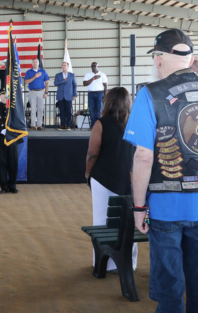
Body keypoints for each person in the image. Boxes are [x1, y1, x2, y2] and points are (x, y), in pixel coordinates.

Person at [123, 29, 198, 312]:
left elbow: (144, 157)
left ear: (159, 59)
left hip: (166, 208)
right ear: (191, 58)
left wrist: (137, 207)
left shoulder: (149, 93)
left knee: (170, 293)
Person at [85, 87, 135, 272]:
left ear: (109, 101)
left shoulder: (101, 123)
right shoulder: (135, 123)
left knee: (102, 220)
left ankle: (103, 264)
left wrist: (87, 174)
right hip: (129, 179)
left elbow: (92, 154)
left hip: (104, 178)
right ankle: (130, 262)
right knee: (129, 221)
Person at [0, 88, 22, 193]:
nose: (4, 96)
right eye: (2, 94)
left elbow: (20, 122)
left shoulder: (15, 108)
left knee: (13, 163)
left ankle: (13, 185)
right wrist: (0, 131)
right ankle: (4, 187)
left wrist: (11, 131)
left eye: (5, 94)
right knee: (2, 163)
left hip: (13, 139)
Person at [24, 58, 50, 130]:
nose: (35, 63)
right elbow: (26, 82)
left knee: (40, 109)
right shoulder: (28, 72)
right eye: (34, 62)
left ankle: (39, 125)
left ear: (38, 63)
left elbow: (47, 82)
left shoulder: (43, 71)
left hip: (41, 91)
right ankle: (33, 125)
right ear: (32, 63)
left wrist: (46, 92)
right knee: (33, 109)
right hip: (32, 91)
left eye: (36, 62)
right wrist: (35, 76)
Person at [83, 62, 108, 129]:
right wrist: (93, 78)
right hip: (91, 93)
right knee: (91, 110)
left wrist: (105, 96)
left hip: (100, 93)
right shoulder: (88, 74)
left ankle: (99, 126)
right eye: (92, 66)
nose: (93, 67)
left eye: (95, 66)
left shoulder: (102, 74)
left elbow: (105, 86)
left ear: (97, 66)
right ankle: (93, 126)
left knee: (99, 110)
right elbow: (84, 83)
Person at [54, 62, 77, 130]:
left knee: (68, 111)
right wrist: (63, 80)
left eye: (65, 65)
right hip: (60, 96)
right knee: (62, 111)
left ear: (67, 67)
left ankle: (68, 125)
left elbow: (75, 85)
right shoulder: (58, 75)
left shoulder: (72, 75)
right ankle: (62, 125)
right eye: (62, 65)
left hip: (69, 95)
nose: (63, 66)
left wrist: (75, 94)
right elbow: (55, 83)